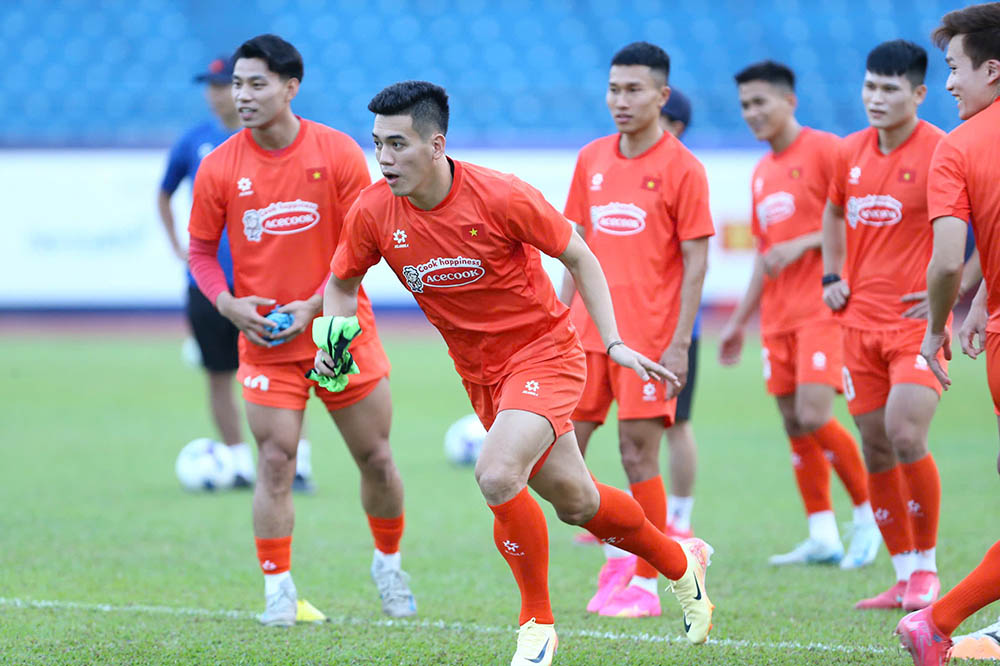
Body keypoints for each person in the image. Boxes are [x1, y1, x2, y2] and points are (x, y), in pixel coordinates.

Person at [319, 79, 716, 666]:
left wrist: (611, 341)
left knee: (498, 474)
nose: (384, 158)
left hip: (544, 354)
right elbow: (341, 282)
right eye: (377, 144)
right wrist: (334, 337)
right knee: (577, 501)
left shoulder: (500, 195)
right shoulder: (373, 211)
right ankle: (683, 562)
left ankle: (537, 626)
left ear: (436, 145)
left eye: (397, 144)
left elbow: (578, 254)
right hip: (481, 375)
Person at [186, 34, 415, 626]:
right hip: (266, 340)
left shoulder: (336, 152)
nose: (242, 95)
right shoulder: (218, 166)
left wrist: (316, 306)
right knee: (275, 460)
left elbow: (365, 242)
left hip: (339, 332)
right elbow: (201, 252)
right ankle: (278, 592)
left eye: (256, 83)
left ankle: (389, 565)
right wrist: (229, 305)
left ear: (291, 87)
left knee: (376, 458)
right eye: (237, 84)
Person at [559, 43, 712, 620]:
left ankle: (647, 582)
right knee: (560, 451)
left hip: (647, 340)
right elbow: (574, 246)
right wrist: (556, 317)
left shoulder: (684, 168)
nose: (620, 101)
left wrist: (679, 344)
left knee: (636, 453)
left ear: (662, 95)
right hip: (585, 334)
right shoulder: (591, 158)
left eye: (634, 90)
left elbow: (696, 264)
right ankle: (625, 550)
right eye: (614, 89)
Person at [720, 61, 877, 568]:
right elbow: (765, 256)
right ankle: (822, 533)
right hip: (778, 316)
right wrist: (739, 322)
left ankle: (870, 515)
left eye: (760, 102)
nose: (751, 113)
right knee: (793, 423)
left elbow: (861, 219)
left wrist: (804, 243)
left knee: (813, 414)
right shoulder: (762, 172)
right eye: (745, 105)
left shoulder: (828, 150)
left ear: (790, 101)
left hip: (822, 306)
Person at [822, 40, 949, 612]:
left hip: (915, 328)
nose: (876, 98)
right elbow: (832, 210)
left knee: (904, 433)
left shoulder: (942, 152)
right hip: (858, 327)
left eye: (889, 89)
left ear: (918, 94)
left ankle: (927, 569)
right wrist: (832, 274)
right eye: (870, 86)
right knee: (875, 446)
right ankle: (901, 575)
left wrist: (958, 289)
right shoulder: (848, 151)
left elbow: (982, 222)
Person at [158, 54, 317, 492]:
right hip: (209, 284)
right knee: (219, 372)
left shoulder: (273, 143)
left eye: (223, 85)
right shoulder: (194, 141)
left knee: (289, 371)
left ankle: (298, 463)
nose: (216, 95)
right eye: (210, 86)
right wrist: (177, 246)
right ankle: (238, 462)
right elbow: (164, 192)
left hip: (267, 282)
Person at [895, 4, 1000, 664]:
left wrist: (941, 325)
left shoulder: (957, 147)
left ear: (993, 70)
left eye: (956, 68)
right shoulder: (955, 143)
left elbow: (945, 262)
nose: (950, 83)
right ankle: (936, 621)